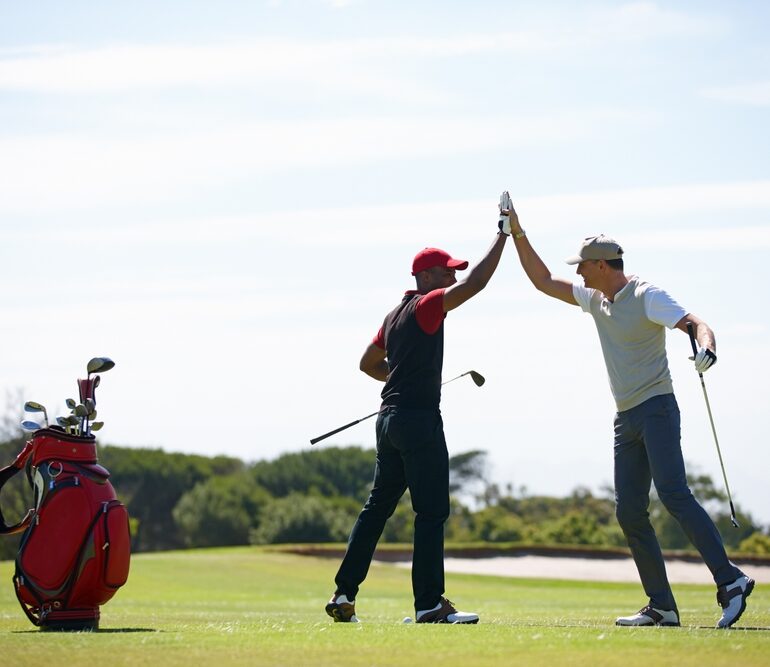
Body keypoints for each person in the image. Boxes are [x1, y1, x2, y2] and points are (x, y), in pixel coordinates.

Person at [501, 201, 754, 629]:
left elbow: (695, 324)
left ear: (602, 264)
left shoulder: (646, 294)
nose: (578, 273)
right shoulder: (596, 298)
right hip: (626, 418)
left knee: (673, 494)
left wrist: (706, 347)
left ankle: (730, 582)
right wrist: (518, 233)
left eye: (583, 266)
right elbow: (543, 281)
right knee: (630, 511)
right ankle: (662, 606)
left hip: (656, 408)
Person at [325, 207, 509, 625]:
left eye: (453, 272)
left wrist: (398, 375)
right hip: (417, 421)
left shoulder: (392, 316)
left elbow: (367, 363)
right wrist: (503, 238)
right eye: (447, 272)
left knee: (376, 509)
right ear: (425, 279)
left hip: (387, 422)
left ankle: (343, 593)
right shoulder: (427, 305)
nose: (454, 278)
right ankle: (429, 604)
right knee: (430, 513)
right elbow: (477, 284)